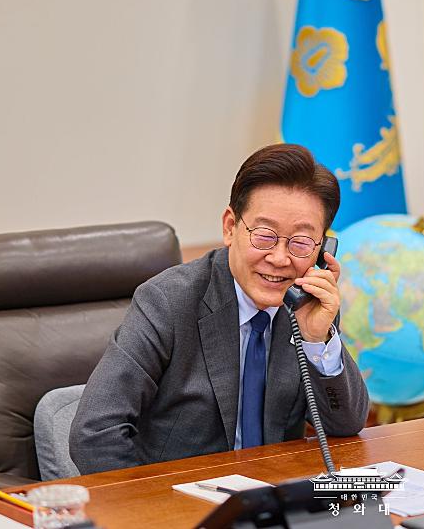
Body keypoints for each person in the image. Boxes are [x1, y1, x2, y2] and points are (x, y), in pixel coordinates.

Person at [70, 144, 370, 474]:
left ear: (323, 248)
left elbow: (346, 426)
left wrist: (318, 339)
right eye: (265, 236)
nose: (281, 259)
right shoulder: (167, 301)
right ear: (230, 227)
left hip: (272, 503)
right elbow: (94, 434)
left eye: (300, 242)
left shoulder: (308, 304)